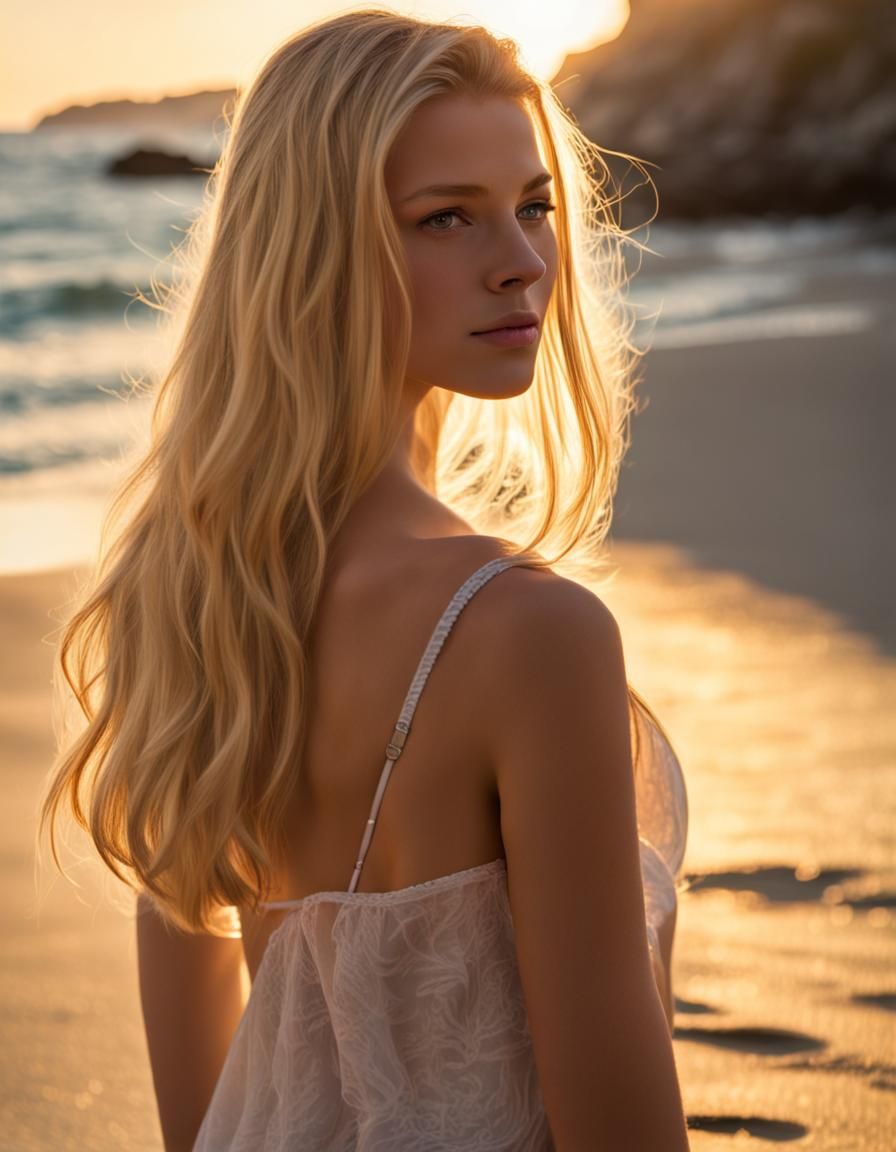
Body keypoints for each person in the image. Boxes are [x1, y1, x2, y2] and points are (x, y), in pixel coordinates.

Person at [38, 8, 691, 1150]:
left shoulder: (192, 603)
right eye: (446, 218)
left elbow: (206, 1121)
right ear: (315, 250)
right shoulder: (530, 634)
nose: (522, 260)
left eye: (533, 205)